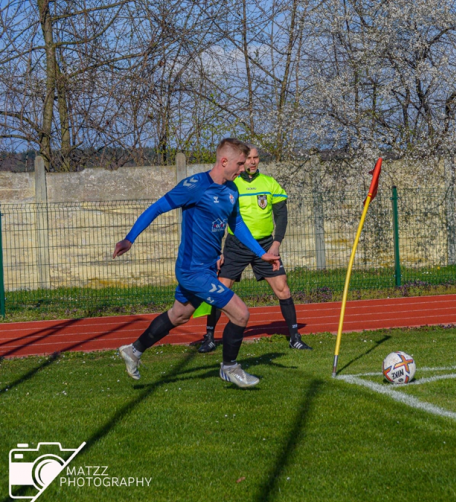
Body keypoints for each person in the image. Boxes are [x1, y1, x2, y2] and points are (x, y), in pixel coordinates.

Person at [112, 138, 280, 388]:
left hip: (209, 269)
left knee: (179, 315)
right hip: (192, 270)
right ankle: (230, 367)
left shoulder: (232, 190)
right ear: (224, 161)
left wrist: (261, 252)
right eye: (240, 164)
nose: (243, 169)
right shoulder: (195, 186)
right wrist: (129, 238)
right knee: (241, 313)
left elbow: (237, 225)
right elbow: (156, 208)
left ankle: (134, 350)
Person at [198, 144, 311, 353]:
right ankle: (210, 337)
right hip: (235, 246)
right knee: (221, 289)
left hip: (265, 245)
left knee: (283, 288)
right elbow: (219, 218)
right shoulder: (230, 184)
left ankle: (295, 337)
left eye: (256, 157)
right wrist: (217, 252)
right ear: (241, 160)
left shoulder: (270, 183)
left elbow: (281, 216)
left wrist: (276, 243)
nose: (252, 161)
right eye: (248, 158)